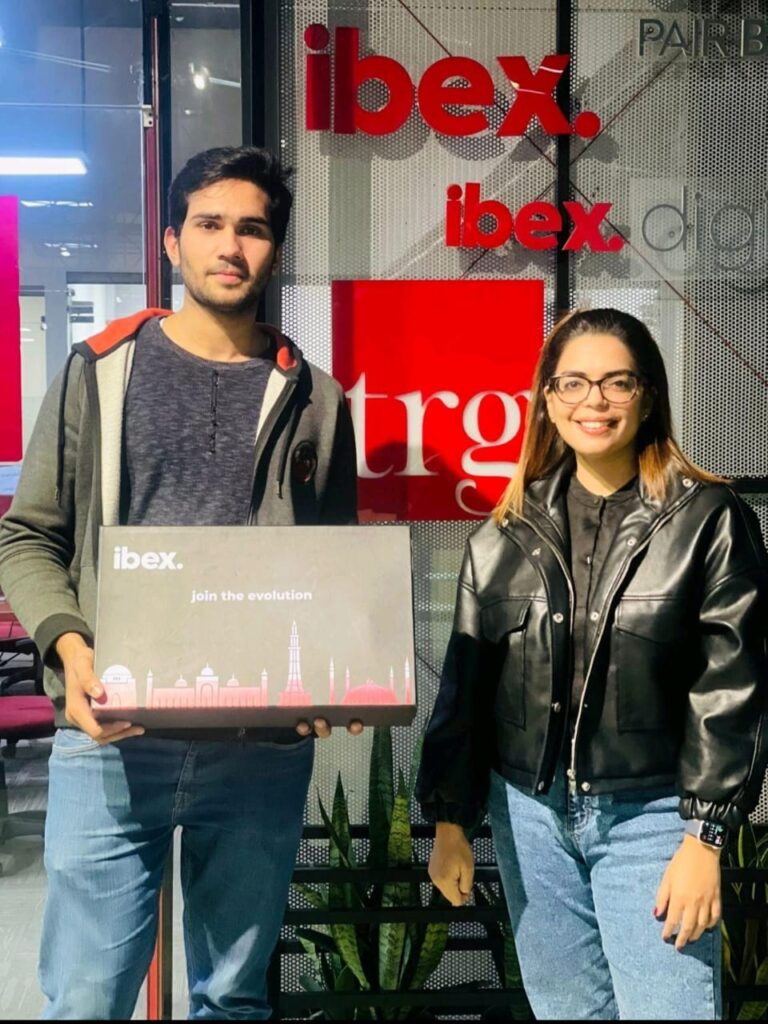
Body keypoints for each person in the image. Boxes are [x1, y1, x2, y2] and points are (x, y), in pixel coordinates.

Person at [0, 146, 361, 1020]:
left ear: (274, 250)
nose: (230, 246)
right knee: (87, 998)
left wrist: (333, 673)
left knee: (233, 999)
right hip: (112, 735)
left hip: (260, 749)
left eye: (253, 229)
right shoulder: (97, 371)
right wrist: (70, 648)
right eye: (209, 224)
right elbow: (28, 535)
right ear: (172, 242)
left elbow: (333, 564)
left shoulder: (317, 399)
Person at [417, 308, 768, 1020]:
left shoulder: (707, 518)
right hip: (529, 819)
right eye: (573, 383)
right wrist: (451, 820)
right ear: (547, 400)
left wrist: (705, 836)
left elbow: (732, 684)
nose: (594, 402)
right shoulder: (504, 532)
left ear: (648, 395)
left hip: (653, 818)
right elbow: (467, 689)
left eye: (617, 382)